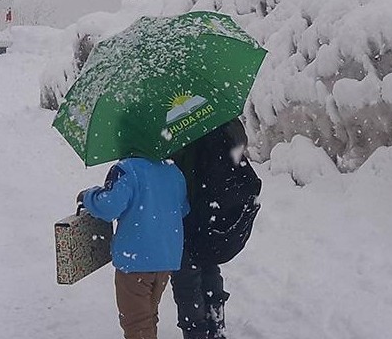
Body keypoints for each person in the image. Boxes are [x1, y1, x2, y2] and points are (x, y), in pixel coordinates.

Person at [170, 118, 262, 339]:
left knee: (186, 277)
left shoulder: (176, 125)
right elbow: (240, 143)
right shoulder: (217, 115)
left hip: (190, 210)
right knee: (208, 263)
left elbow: (175, 173)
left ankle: (196, 332)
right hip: (217, 210)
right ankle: (215, 322)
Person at [78, 157, 189, 339]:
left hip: (136, 260)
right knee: (148, 315)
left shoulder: (127, 170)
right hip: (166, 258)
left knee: (136, 322)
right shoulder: (172, 170)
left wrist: (89, 196)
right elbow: (182, 208)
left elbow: (108, 207)